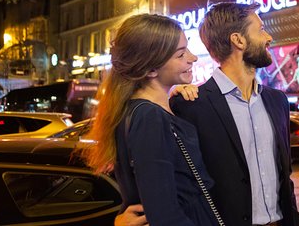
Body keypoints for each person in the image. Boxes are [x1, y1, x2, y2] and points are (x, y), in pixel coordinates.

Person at [117, 2, 299, 226]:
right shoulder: (188, 105)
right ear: (238, 40)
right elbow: (155, 185)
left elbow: (286, 176)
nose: (268, 37)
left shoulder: (277, 101)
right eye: (261, 29)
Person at [84, 14, 222, 226]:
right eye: (180, 54)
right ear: (150, 69)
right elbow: (165, 215)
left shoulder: (144, 111)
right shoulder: (149, 118)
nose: (193, 58)